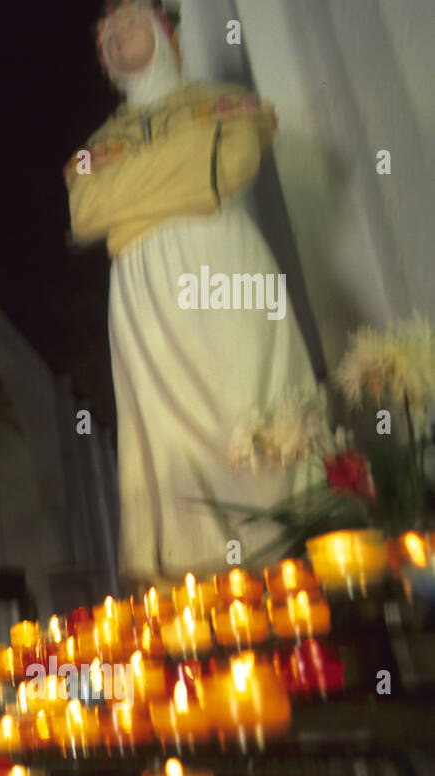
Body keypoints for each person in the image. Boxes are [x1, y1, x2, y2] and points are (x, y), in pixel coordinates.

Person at [64, 0, 317, 586]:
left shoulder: (226, 104)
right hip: (142, 293)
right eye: (107, 33)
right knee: (169, 435)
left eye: (131, 21)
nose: (119, 34)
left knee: (247, 410)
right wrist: (186, 168)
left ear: (165, 32)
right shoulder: (91, 147)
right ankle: (200, 590)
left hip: (223, 271)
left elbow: (231, 162)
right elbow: (85, 211)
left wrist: (128, 187)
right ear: (102, 60)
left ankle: (286, 577)